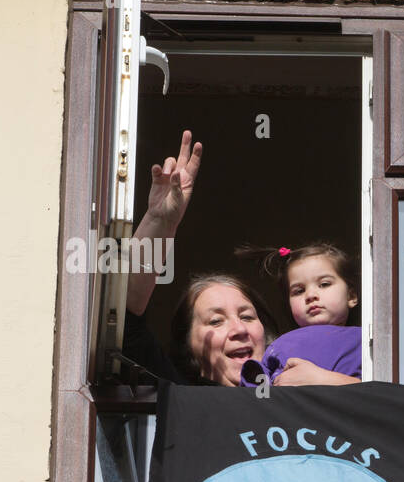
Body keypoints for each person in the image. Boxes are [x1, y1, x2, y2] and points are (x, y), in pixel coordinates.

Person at [124, 131, 351, 387]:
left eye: (247, 317)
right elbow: (124, 318)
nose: (239, 330)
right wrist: (160, 222)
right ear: (188, 349)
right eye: (216, 321)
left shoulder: (299, 387)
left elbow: (394, 406)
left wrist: (329, 384)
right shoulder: (181, 398)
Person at [233, 242, 363, 387]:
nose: (311, 295)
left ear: (351, 296)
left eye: (324, 284)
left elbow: (383, 392)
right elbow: (259, 393)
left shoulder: (369, 341)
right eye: (299, 291)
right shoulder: (281, 344)